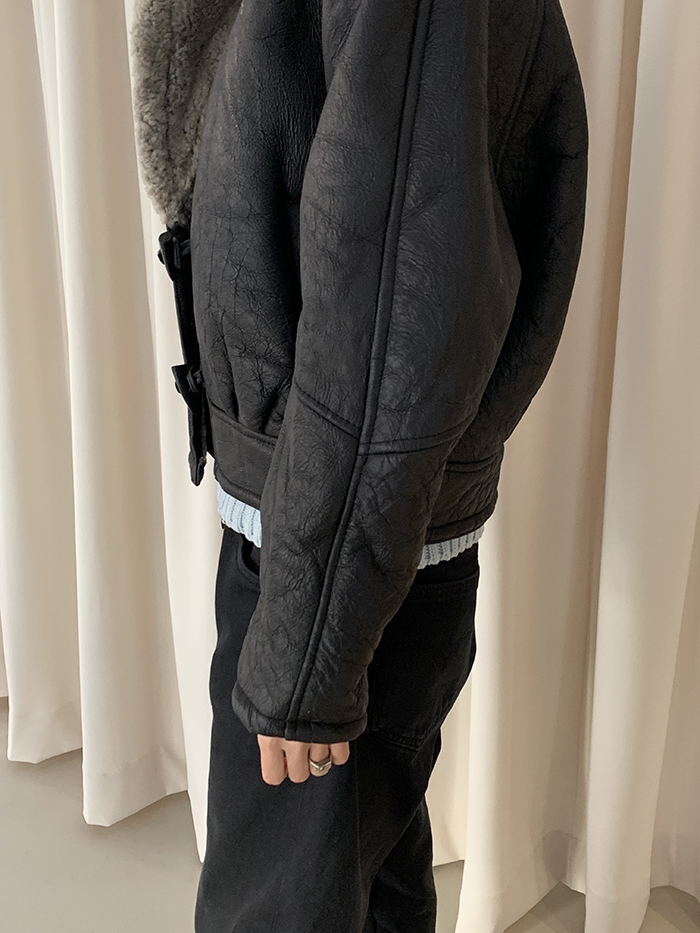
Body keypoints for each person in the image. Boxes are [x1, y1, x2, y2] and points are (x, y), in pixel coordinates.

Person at [130, 0, 588, 929]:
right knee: (369, 880)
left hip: (332, 544)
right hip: (343, 523)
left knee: (284, 903)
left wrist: (308, 650)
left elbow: (387, 316)